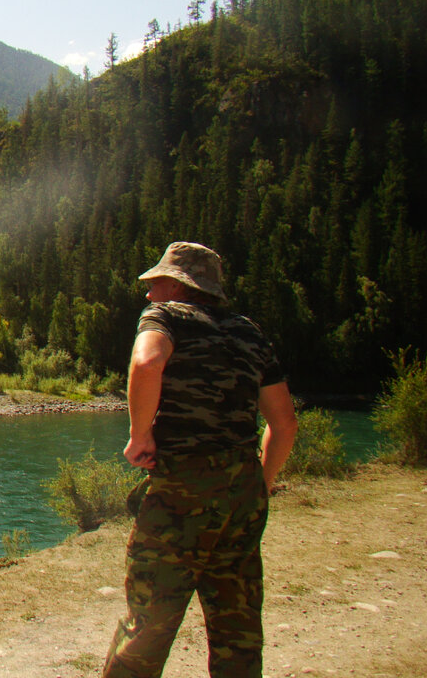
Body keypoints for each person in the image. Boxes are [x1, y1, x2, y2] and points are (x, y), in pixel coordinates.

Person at [101, 241, 298, 678]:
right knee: (238, 624)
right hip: (243, 493)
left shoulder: (165, 317)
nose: (149, 294)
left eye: (156, 284)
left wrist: (139, 435)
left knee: (149, 622)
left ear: (177, 284)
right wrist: (260, 483)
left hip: (182, 492)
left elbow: (147, 362)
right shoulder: (250, 333)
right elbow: (284, 423)